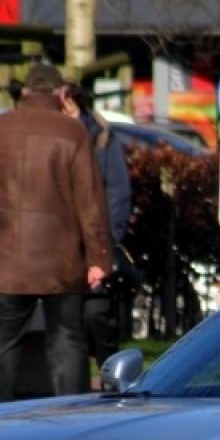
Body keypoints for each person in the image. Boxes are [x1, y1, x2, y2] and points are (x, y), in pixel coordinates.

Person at [0, 63, 114, 403]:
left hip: (7, 256)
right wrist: (98, 257)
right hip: (62, 257)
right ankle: (72, 413)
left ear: (24, 91)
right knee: (67, 339)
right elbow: (90, 201)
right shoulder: (73, 133)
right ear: (61, 93)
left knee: (2, 339)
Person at [58, 82, 133, 374]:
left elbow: (118, 190)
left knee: (97, 314)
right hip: (60, 244)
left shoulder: (101, 137)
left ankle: (110, 377)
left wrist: (109, 238)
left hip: (94, 242)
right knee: (67, 322)